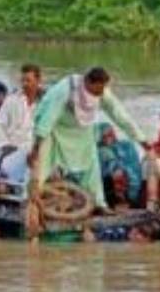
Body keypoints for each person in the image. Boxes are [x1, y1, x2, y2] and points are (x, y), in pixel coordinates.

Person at [28, 67, 149, 211]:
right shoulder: (65, 89)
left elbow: (121, 116)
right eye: (98, 90)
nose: (101, 93)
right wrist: (35, 147)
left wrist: (142, 140)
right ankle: (30, 200)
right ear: (88, 82)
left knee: (91, 163)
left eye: (103, 89)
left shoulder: (102, 92)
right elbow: (48, 118)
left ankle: (98, 203)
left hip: (81, 128)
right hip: (54, 127)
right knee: (42, 163)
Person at [0, 64, 44, 182]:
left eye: (28, 80)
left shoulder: (47, 102)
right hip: (11, 147)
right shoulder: (12, 99)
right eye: (23, 80)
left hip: (34, 151)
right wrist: (4, 144)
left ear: (38, 81)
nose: (24, 84)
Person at [96, 123, 142, 209]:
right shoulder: (98, 150)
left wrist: (123, 169)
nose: (108, 138)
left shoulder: (126, 145)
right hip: (107, 180)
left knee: (120, 173)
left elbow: (133, 163)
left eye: (110, 134)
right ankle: (118, 198)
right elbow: (99, 169)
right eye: (104, 136)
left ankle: (127, 197)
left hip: (129, 177)